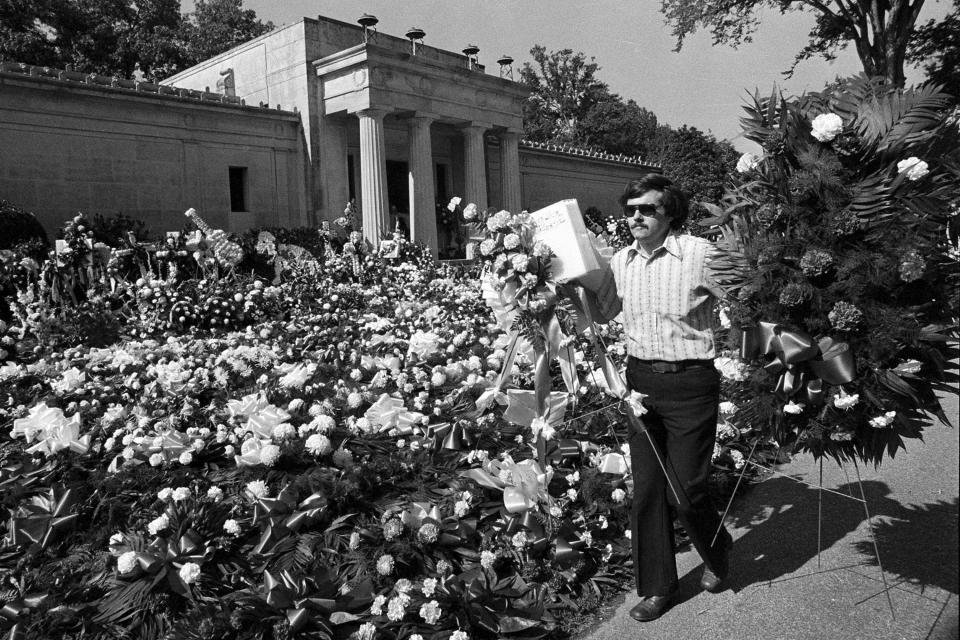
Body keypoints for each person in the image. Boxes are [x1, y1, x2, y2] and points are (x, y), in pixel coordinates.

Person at [582, 173, 732, 622]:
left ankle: (716, 545)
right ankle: (658, 587)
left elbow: (743, 300)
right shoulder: (622, 261)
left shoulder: (700, 255)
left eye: (646, 209)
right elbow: (604, 310)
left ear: (670, 211)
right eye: (629, 210)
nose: (635, 218)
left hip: (689, 383)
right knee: (647, 490)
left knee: (687, 491)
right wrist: (561, 285)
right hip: (640, 385)